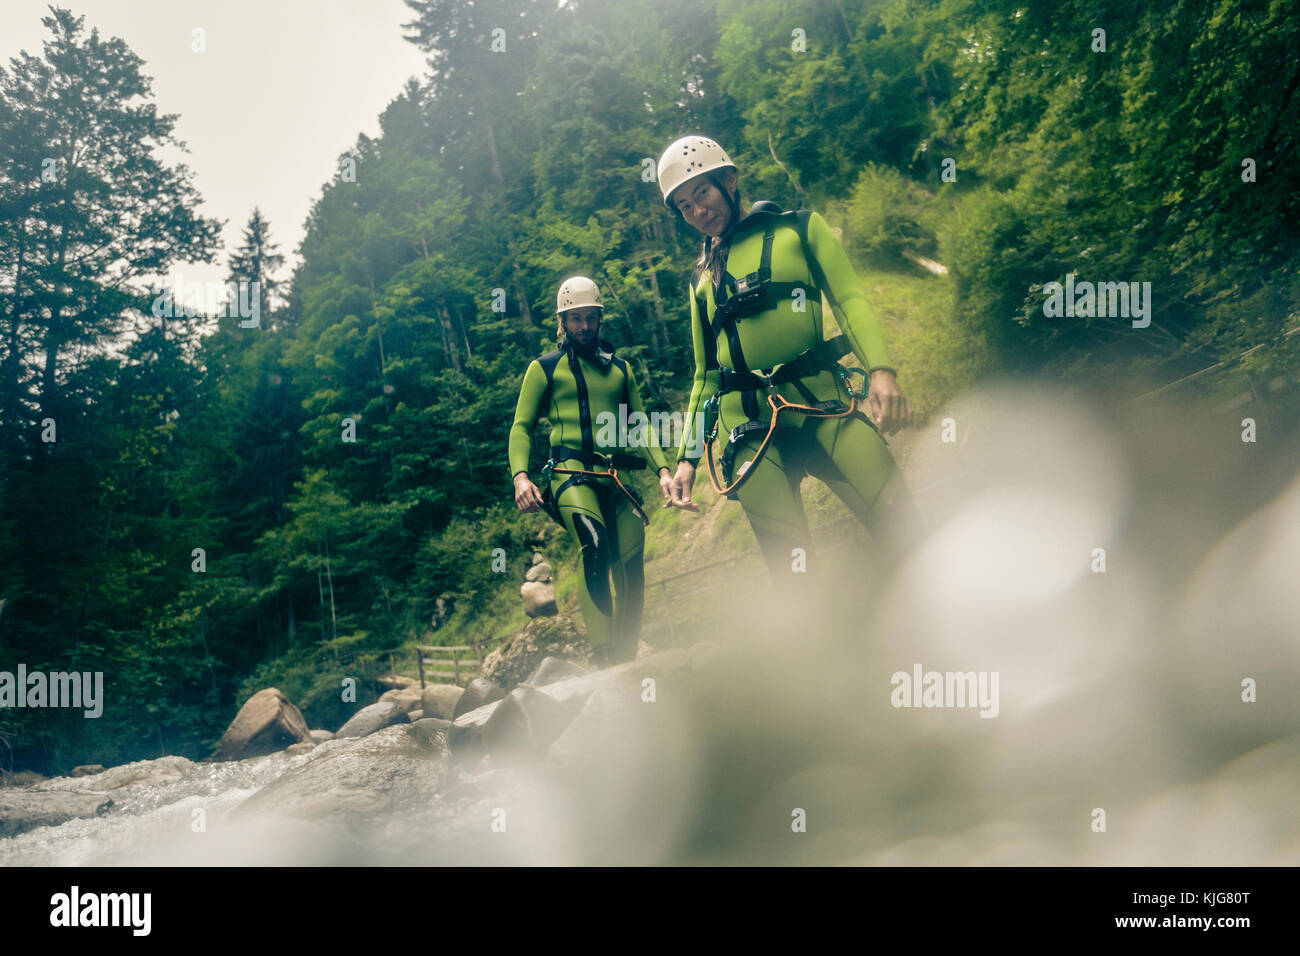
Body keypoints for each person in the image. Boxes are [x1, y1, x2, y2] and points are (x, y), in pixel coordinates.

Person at [656, 135, 921, 579]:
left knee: (905, 527)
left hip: (824, 401)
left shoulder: (801, 228)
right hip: (748, 429)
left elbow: (850, 300)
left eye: (701, 192)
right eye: (684, 206)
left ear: (729, 179)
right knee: (791, 571)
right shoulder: (701, 276)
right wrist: (686, 459)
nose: (697, 211)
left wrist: (881, 371)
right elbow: (705, 376)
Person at [509, 276, 675, 666]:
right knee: (596, 545)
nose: (584, 326)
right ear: (562, 322)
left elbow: (640, 425)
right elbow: (521, 426)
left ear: (601, 318)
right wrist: (520, 476)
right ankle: (603, 658)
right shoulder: (543, 369)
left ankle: (627, 659)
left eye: (591, 318)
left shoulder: (620, 370)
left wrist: (664, 470)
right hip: (570, 475)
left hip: (618, 478)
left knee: (632, 566)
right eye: (576, 318)